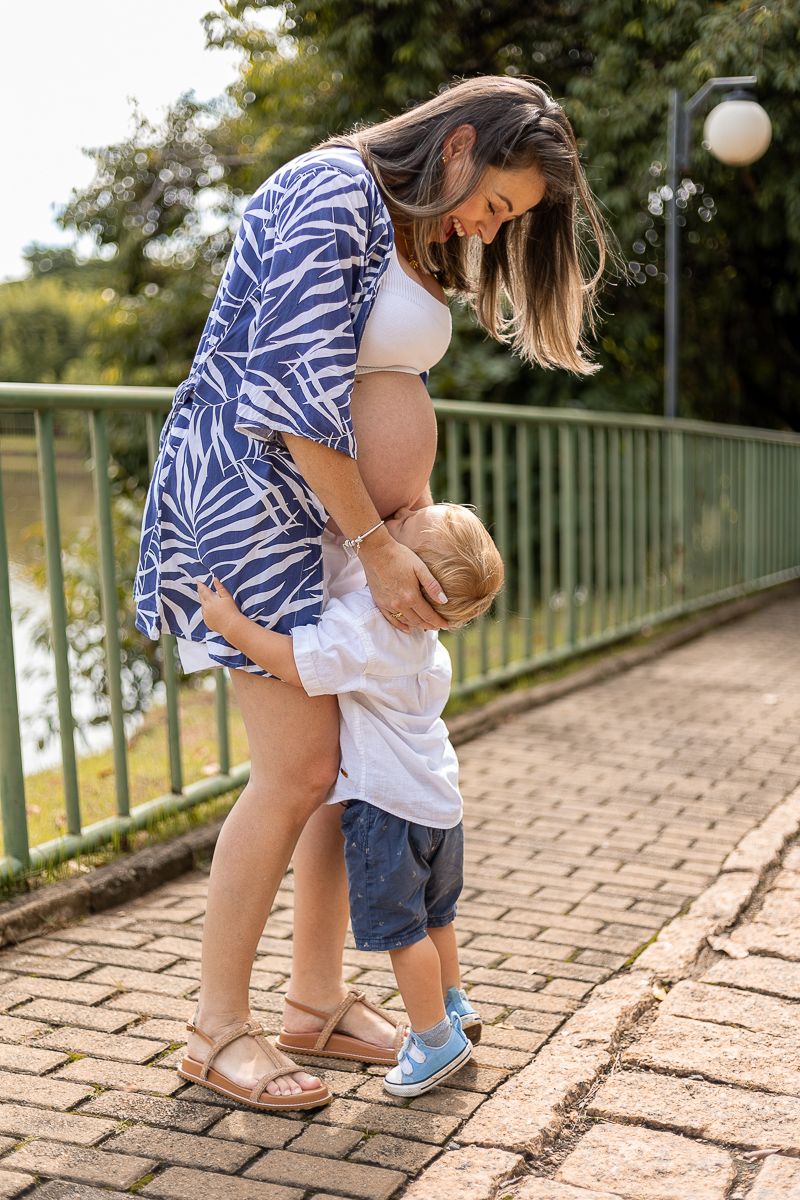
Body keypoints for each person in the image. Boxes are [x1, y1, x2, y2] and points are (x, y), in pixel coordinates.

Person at [134, 73, 609, 1110]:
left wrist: (410, 525)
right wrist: (377, 544)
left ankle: (314, 1003)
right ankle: (215, 1030)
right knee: (299, 767)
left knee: (345, 770)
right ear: (458, 145)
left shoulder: (409, 226)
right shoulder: (333, 189)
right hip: (258, 501)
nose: (488, 226)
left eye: (510, 220)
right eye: (497, 201)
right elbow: (293, 392)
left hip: (335, 523)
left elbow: (379, 385)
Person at [193, 502, 504, 1096]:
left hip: (387, 812)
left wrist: (230, 625)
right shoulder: (420, 636)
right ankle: (454, 1007)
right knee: (438, 917)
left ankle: (434, 1041)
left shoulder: (364, 632)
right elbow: (349, 578)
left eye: (403, 529)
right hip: (440, 805)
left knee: (403, 932)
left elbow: (292, 663)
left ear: (415, 583)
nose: (395, 519)